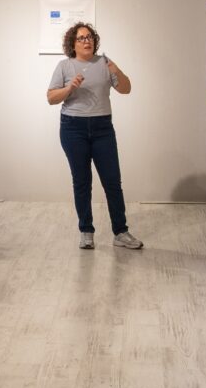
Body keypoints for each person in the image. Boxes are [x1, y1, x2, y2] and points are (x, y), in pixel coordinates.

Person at [46, 22, 141, 250]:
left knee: (112, 181)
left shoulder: (104, 63)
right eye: (81, 38)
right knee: (82, 181)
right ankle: (86, 231)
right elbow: (51, 98)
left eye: (89, 37)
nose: (86, 41)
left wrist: (116, 70)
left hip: (102, 128)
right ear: (73, 44)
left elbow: (126, 89)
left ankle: (121, 232)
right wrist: (70, 88)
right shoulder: (64, 66)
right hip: (73, 128)